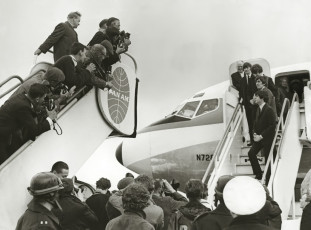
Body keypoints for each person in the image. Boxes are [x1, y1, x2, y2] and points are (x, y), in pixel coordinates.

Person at [0, 83, 57, 164]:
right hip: (2, 137)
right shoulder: (23, 107)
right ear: (37, 99)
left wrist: (38, 110)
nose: (44, 100)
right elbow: (34, 131)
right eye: (43, 98)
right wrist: (50, 119)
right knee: (5, 164)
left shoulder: (21, 97)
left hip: (6, 133)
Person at [248, 90, 276, 180]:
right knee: (251, 153)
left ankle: (268, 180)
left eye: (256, 96)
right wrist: (255, 134)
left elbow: (272, 126)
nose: (254, 98)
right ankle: (259, 174)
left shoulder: (269, 109)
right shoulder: (258, 109)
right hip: (259, 138)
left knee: (268, 159)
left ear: (262, 98)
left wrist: (261, 136)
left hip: (267, 138)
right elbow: (255, 124)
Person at [239, 62, 257, 144]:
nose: (245, 69)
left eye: (247, 67)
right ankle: (252, 140)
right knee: (249, 122)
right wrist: (241, 101)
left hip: (255, 103)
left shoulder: (255, 77)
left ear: (250, 68)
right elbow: (241, 92)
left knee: (256, 121)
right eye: (244, 68)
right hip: (247, 104)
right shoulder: (242, 80)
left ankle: (257, 139)